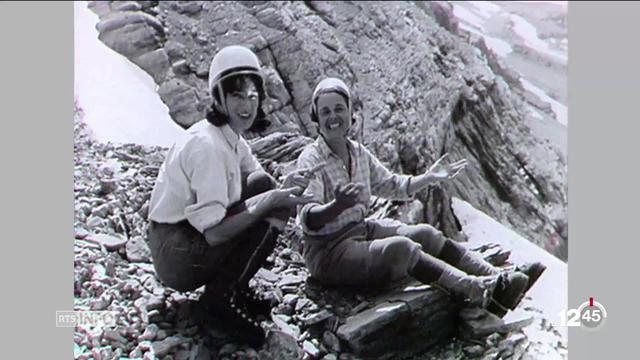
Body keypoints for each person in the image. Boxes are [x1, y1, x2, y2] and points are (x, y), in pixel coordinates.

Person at [296, 77, 546, 316]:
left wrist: (428, 177)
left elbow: (392, 185)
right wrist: (337, 206)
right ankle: (482, 292)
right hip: (328, 251)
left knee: (426, 234)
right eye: (325, 112)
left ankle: (500, 277)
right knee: (401, 248)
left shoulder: (358, 152)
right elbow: (308, 218)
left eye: (339, 109)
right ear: (316, 118)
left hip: (359, 230)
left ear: (351, 113)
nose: (333, 117)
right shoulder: (311, 158)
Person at [146, 45, 314, 346]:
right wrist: (267, 204)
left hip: (185, 237)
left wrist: (283, 187)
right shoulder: (207, 146)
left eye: (253, 95)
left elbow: (261, 181)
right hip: (175, 251)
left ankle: (234, 288)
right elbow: (213, 234)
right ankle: (218, 303)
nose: (247, 105)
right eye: (237, 95)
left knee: (265, 187)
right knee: (265, 214)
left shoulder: (229, 136)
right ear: (218, 97)